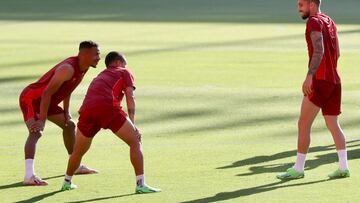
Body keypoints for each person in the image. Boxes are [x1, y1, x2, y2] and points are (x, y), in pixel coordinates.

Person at [61, 51, 161, 193]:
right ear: (118, 62)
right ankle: (141, 184)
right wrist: (133, 125)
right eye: (124, 64)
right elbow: (130, 97)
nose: (126, 66)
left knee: (78, 151)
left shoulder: (100, 75)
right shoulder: (124, 71)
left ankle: (66, 182)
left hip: (87, 110)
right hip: (108, 108)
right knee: (135, 141)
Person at [277, 0, 349, 180]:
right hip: (335, 81)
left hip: (320, 81)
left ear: (312, 4)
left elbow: (319, 50)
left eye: (301, 4)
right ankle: (343, 167)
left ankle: (299, 168)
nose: (298, 7)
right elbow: (337, 53)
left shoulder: (314, 21)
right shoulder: (329, 21)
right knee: (333, 124)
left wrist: (310, 75)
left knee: (303, 124)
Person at [19, 41, 100, 186]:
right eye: (96, 54)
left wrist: (66, 112)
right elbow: (46, 93)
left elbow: (67, 89)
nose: (98, 58)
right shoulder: (67, 69)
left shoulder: (84, 67)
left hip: (47, 101)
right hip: (32, 99)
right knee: (36, 132)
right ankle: (29, 176)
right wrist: (42, 120)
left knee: (69, 125)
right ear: (83, 54)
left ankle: (74, 166)